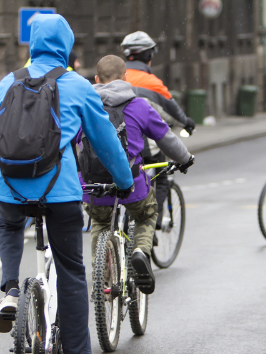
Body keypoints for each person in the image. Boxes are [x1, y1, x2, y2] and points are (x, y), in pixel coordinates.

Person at [0, 14, 133, 354]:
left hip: (9, 186)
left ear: (32, 44)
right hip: (58, 190)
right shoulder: (76, 85)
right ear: (65, 46)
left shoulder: (7, 82)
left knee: (8, 222)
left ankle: (12, 290)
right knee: (71, 270)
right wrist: (124, 181)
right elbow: (104, 140)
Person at [83, 55, 195, 294]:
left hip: (93, 187)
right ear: (125, 78)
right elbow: (165, 138)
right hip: (132, 185)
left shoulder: (85, 107)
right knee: (147, 213)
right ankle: (140, 252)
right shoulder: (140, 106)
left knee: (100, 221)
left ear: (96, 79)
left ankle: (101, 274)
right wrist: (185, 158)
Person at [121, 31, 195, 233]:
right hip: (145, 146)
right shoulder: (152, 82)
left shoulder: (118, 78)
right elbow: (173, 110)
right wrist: (187, 122)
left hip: (118, 144)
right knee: (161, 177)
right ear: (148, 56)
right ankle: (153, 225)